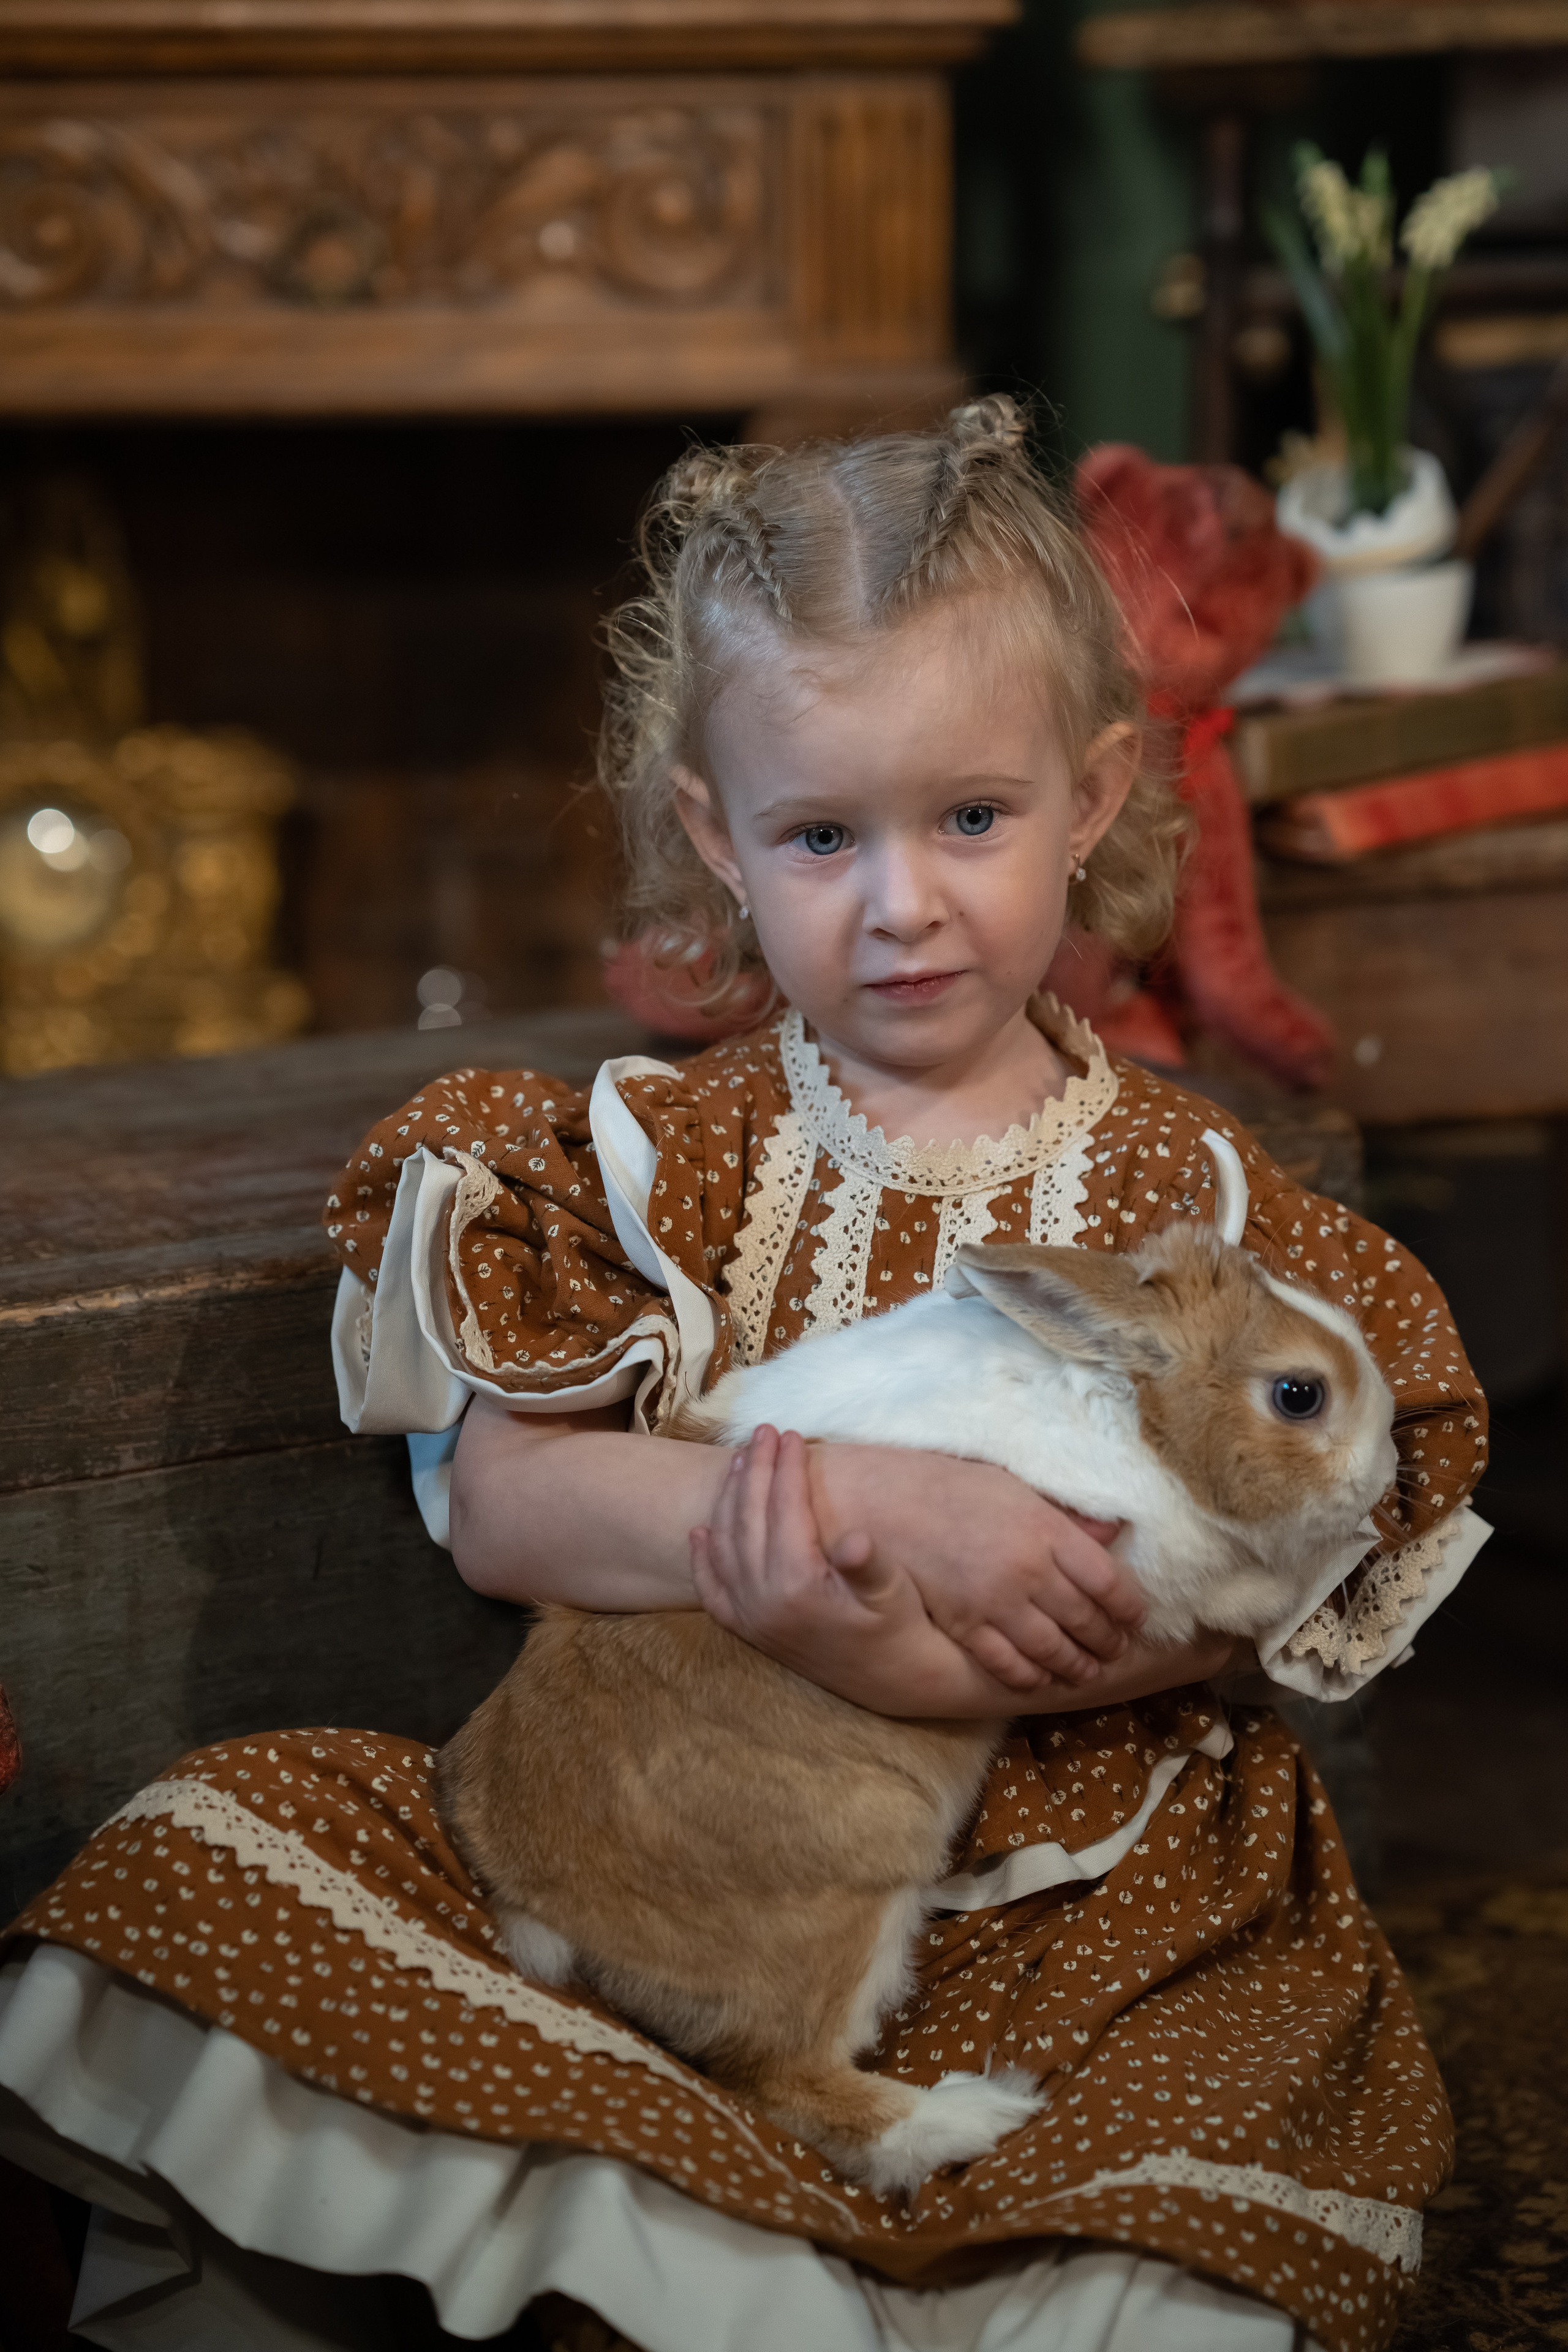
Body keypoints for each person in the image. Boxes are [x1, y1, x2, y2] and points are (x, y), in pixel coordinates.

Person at [0, 401, 1489, 2352]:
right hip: (680, 1824)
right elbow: (514, 1504)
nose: (901, 903)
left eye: (973, 817)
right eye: (819, 836)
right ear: (719, 836)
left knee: (1159, 2198)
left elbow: (1252, 1584)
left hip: (1083, 1880)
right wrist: (820, 1517)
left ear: (1097, 793)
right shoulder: (670, 1153)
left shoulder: (1180, 1199)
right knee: (204, 1879)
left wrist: (913, 1655)